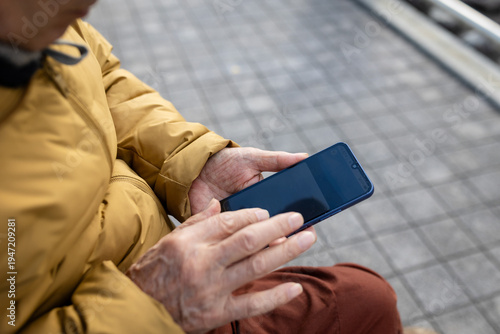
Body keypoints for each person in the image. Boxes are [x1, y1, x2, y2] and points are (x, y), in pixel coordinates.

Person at [0, 0, 436, 333]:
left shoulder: (38, 26)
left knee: (368, 298)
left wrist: (193, 164)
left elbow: (101, 77)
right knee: (367, 300)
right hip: (146, 313)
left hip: (178, 273)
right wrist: (149, 308)